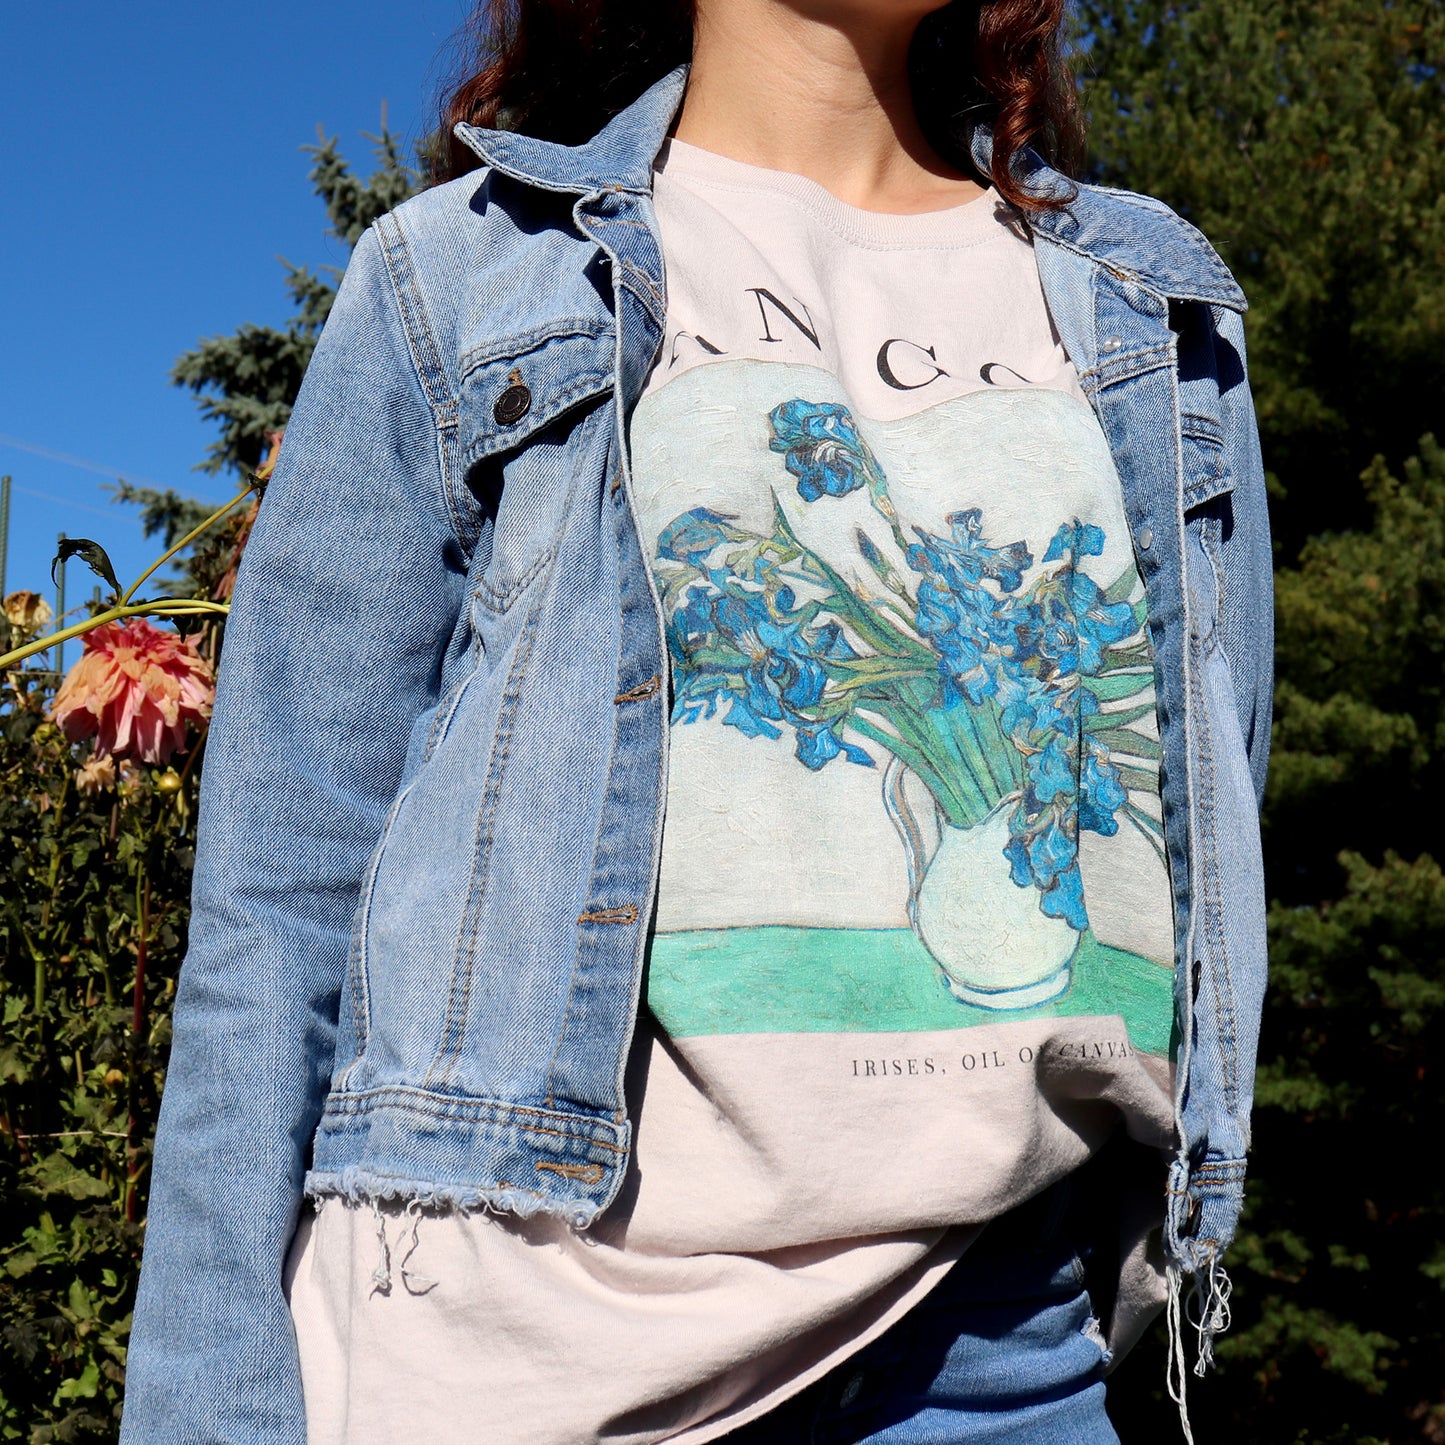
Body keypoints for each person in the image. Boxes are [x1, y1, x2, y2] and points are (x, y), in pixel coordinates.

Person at [120, 1, 1272, 1441]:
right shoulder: (462, 275)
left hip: (1002, 1348)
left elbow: (1206, 817)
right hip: (524, 1347)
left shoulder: (1150, 307)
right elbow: (276, 898)